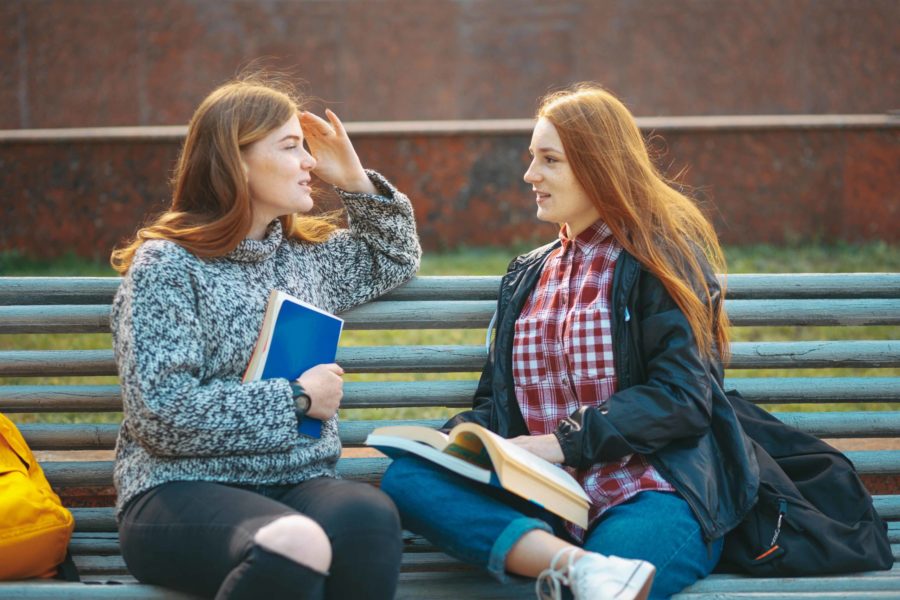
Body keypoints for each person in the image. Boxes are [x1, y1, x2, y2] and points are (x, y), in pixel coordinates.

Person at [380, 83, 759, 600]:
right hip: (545, 498)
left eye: (548, 160)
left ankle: (578, 571)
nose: (529, 175)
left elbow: (683, 398)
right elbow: (498, 404)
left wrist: (560, 444)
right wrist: (458, 442)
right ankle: (579, 568)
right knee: (409, 479)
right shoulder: (528, 274)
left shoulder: (659, 259)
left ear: (597, 167)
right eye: (532, 158)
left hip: (648, 490)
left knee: (611, 579)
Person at [108, 74, 421, 600]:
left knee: (369, 520)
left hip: (296, 482)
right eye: (291, 147)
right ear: (236, 160)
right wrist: (296, 399)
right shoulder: (167, 266)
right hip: (178, 490)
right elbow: (160, 414)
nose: (310, 163)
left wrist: (356, 182)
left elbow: (392, 255)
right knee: (294, 543)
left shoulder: (305, 260)